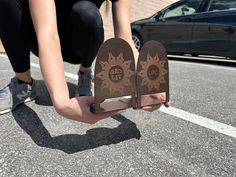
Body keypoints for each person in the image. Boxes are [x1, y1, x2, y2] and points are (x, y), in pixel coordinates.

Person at [0, 0, 170, 124]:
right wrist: (62, 103)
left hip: (76, 43)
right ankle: (24, 82)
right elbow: (47, 34)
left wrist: (149, 83)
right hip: (40, 37)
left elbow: (126, 40)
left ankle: (85, 73)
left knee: (87, 12)